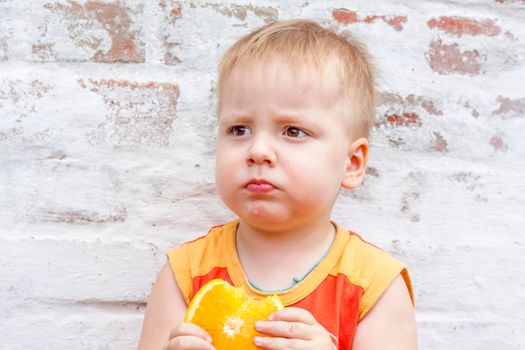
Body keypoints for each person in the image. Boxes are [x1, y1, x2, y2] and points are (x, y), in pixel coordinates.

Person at [138, 19, 416, 350]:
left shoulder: (373, 285)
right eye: (239, 129)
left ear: (352, 163)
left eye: (293, 131)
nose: (258, 151)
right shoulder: (187, 273)